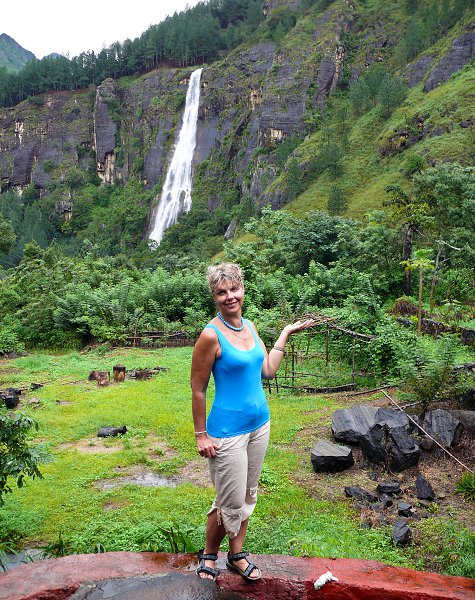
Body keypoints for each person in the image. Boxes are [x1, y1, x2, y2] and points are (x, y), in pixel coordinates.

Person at [191, 263, 315, 582]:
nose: (230, 296)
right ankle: (209, 554)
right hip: (227, 432)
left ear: (242, 289)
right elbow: (198, 389)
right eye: (222, 292)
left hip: (260, 425)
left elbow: (268, 370)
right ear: (215, 296)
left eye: (234, 289)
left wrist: (285, 333)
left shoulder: (250, 326)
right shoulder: (210, 335)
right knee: (229, 501)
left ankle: (236, 555)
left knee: (248, 494)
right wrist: (201, 434)